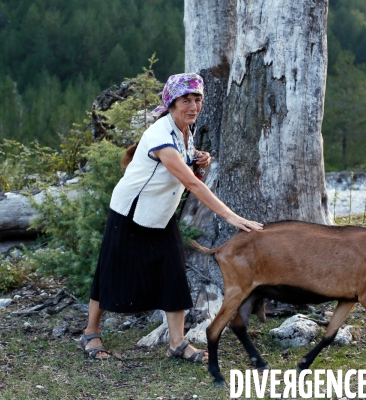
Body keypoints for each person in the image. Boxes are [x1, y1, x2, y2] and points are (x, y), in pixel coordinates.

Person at [81, 73, 263, 362]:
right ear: (171, 103)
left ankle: (177, 343)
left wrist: (200, 158)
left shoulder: (184, 130)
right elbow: (191, 183)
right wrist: (230, 216)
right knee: (110, 271)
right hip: (130, 212)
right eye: (185, 100)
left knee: (173, 274)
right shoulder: (159, 135)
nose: (193, 106)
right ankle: (91, 332)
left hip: (160, 215)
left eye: (197, 99)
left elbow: (186, 163)